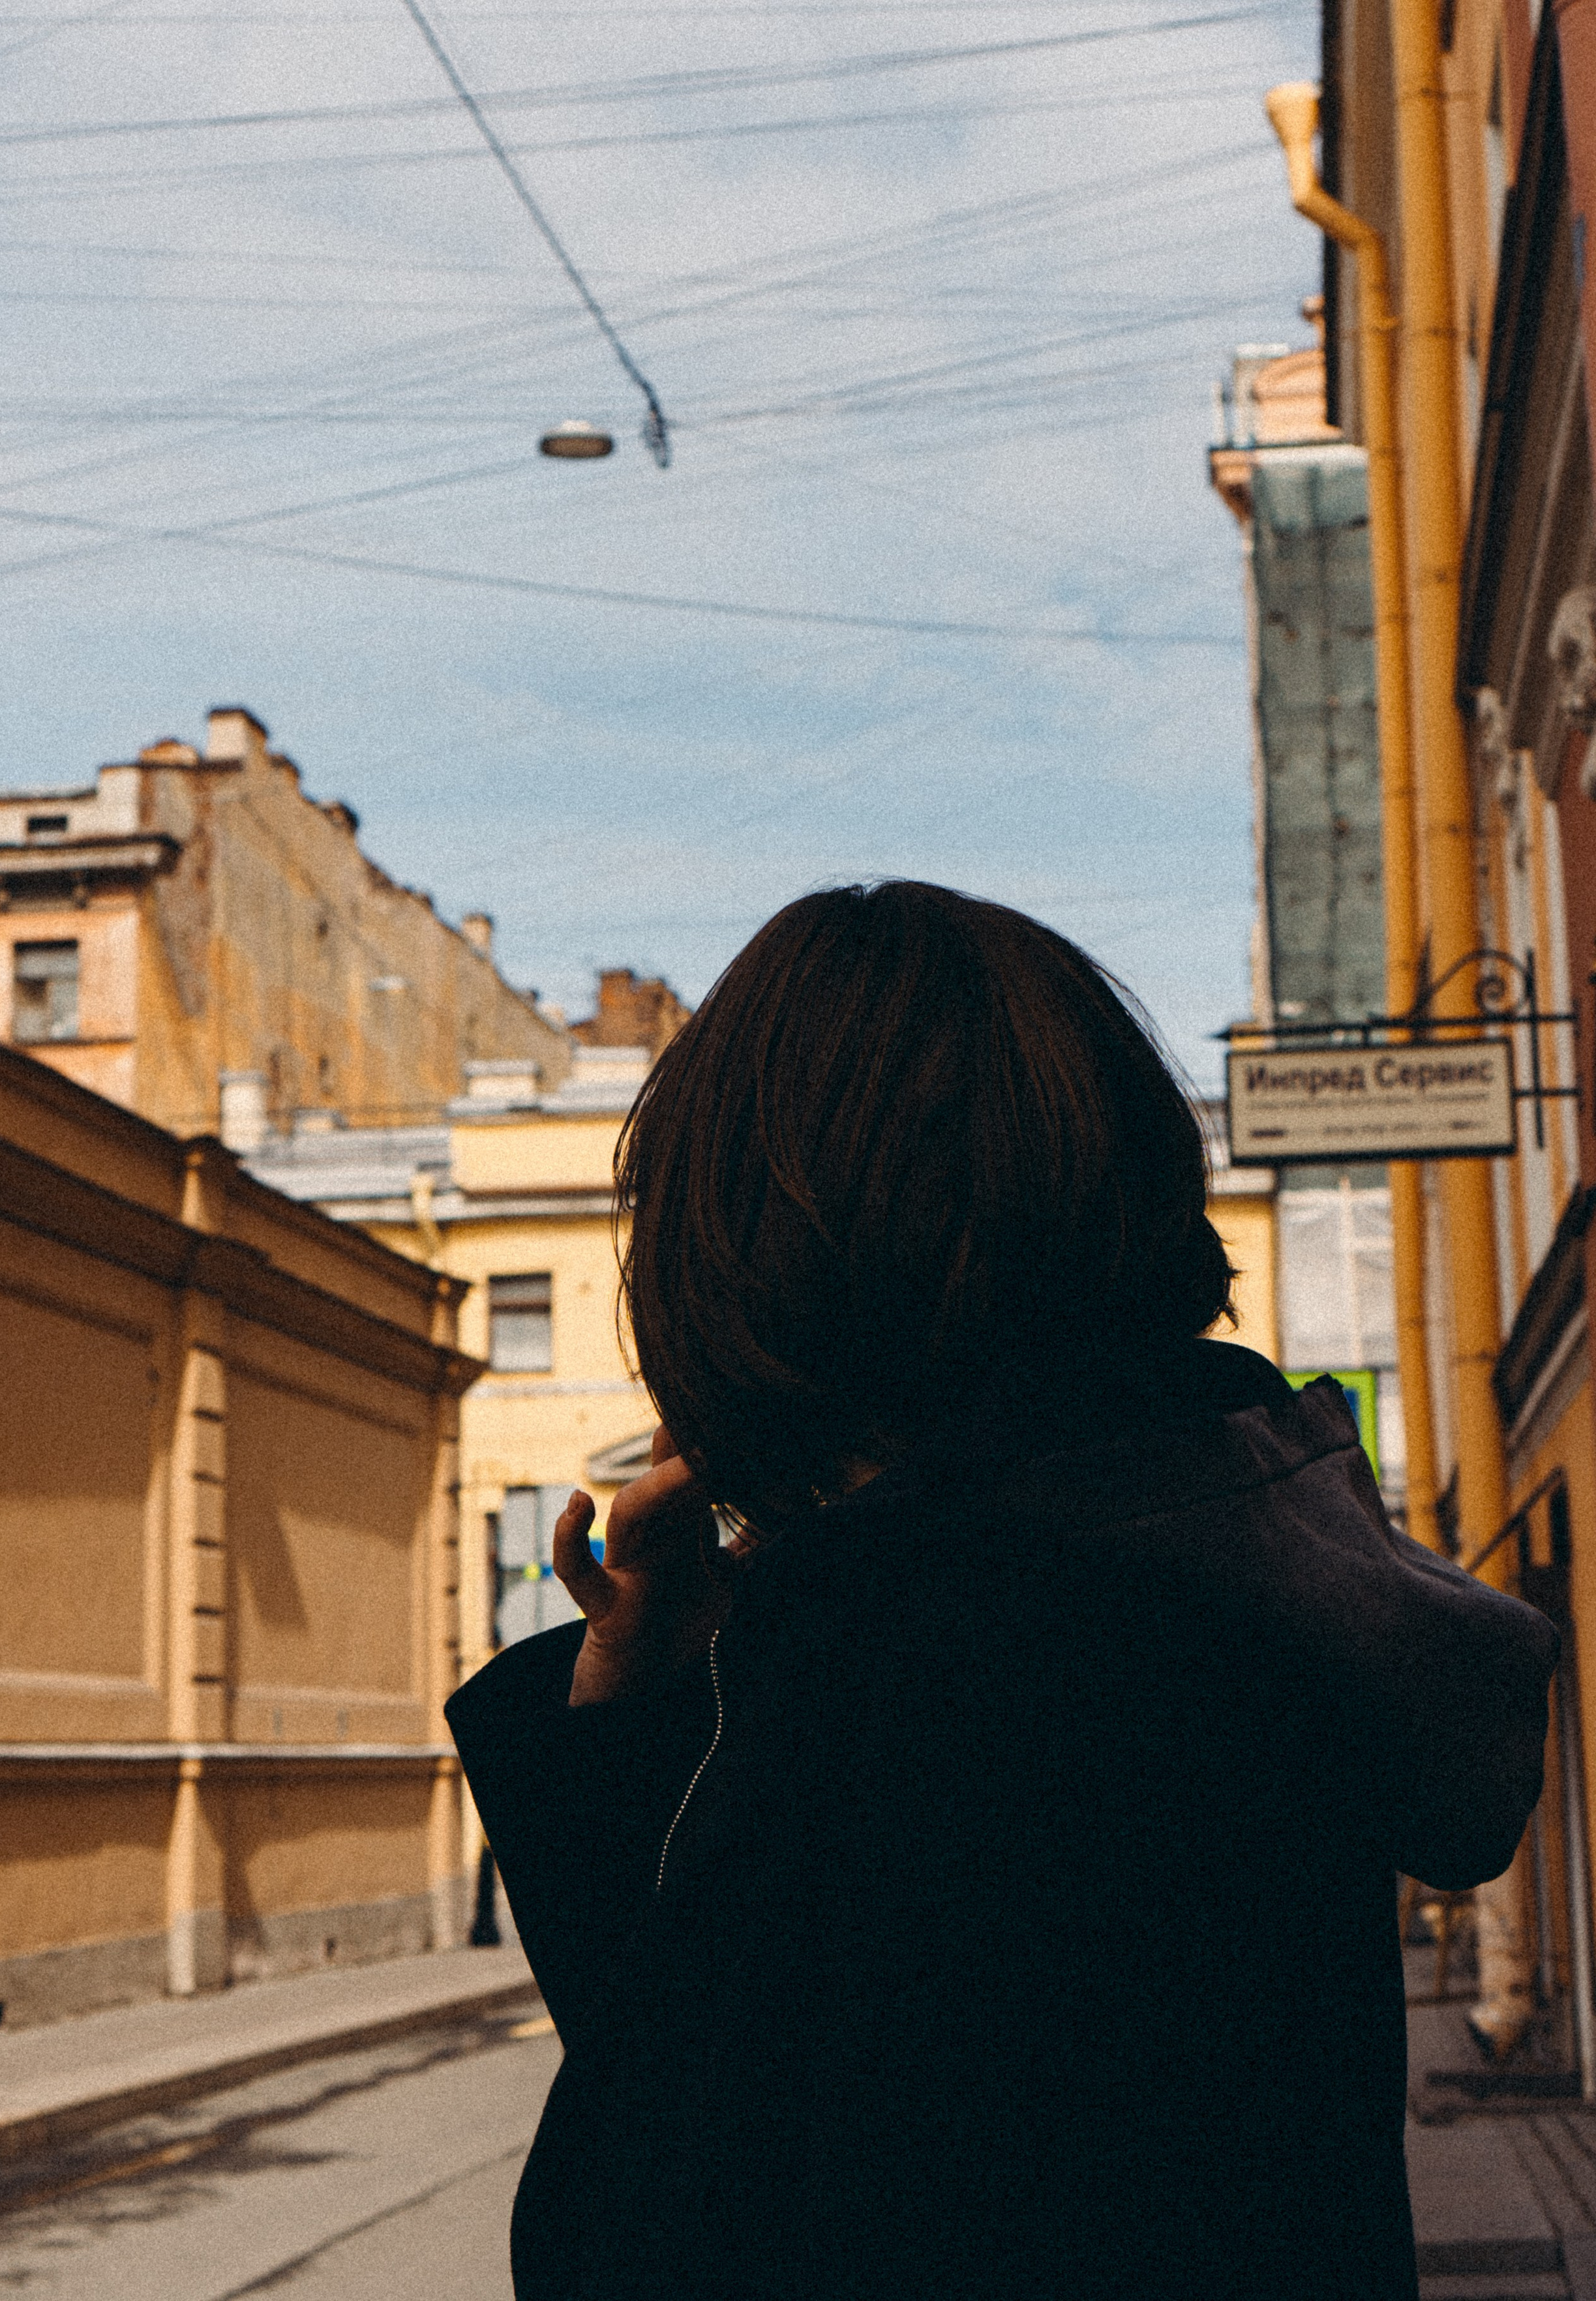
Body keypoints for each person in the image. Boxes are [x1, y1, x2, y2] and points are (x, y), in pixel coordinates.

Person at [445, 880, 1558, 2301]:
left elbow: (658, 2216)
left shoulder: (925, 1652)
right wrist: (653, 1703)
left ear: (753, 1250)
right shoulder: (1222, 1569)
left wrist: (672, 1716)